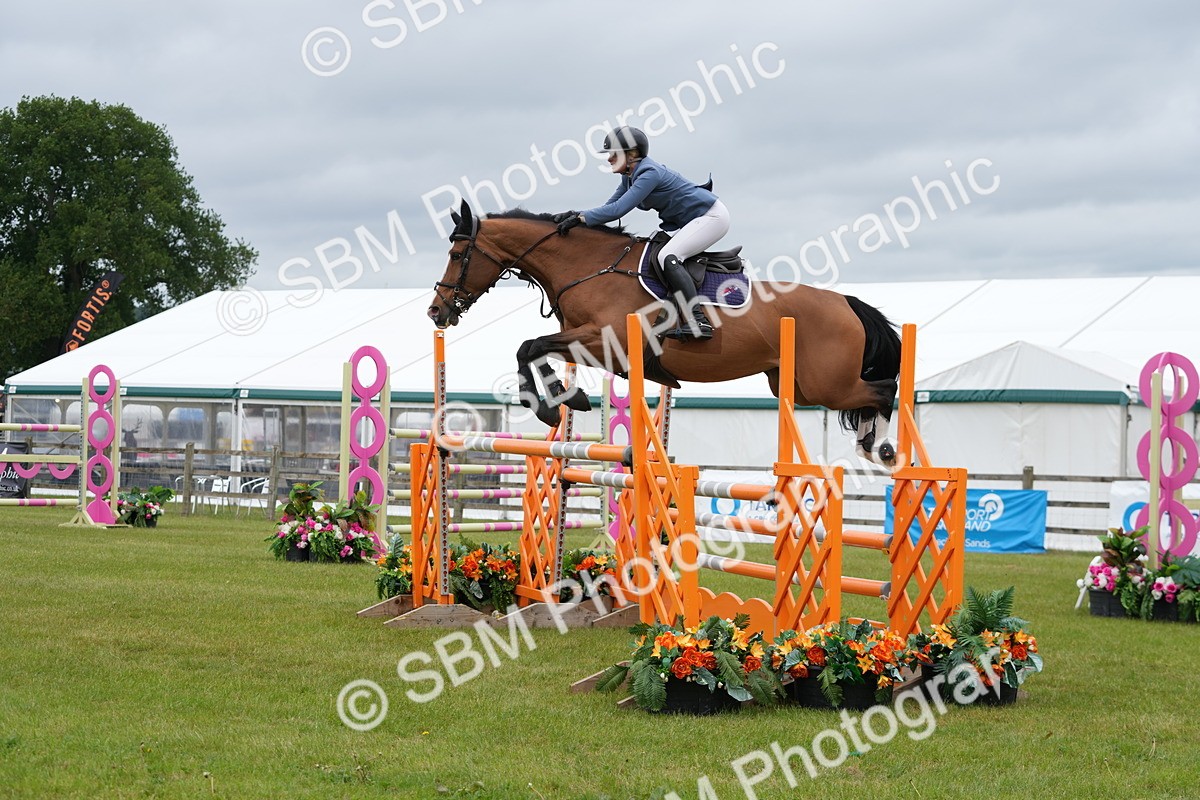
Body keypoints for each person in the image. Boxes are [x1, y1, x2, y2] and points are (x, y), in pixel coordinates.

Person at [553, 126, 729, 340]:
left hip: (712, 218)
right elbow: (610, 206)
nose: (609, 159)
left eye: (613, 154)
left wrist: (580, 217)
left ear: (632, 154)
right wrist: (577, 216)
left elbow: (618, 211)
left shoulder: (648, 173)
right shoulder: (630, 176)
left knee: (668, 257)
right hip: (697, 219)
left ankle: (698, 321)